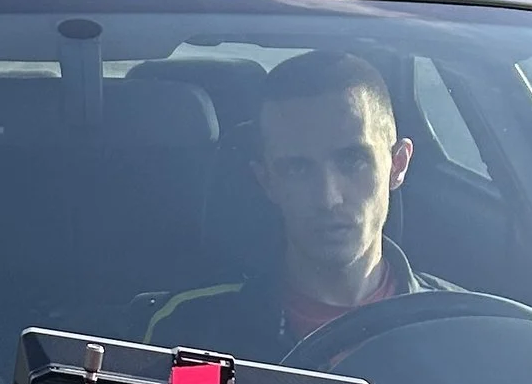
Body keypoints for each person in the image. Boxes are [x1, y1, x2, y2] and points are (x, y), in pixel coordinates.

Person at [142, 47, 448, 361]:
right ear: (267, 181)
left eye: (353, 161)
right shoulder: (199, 334)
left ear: (397, 165)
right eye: (298, 169)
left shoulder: (459, 328)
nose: (328, 198)